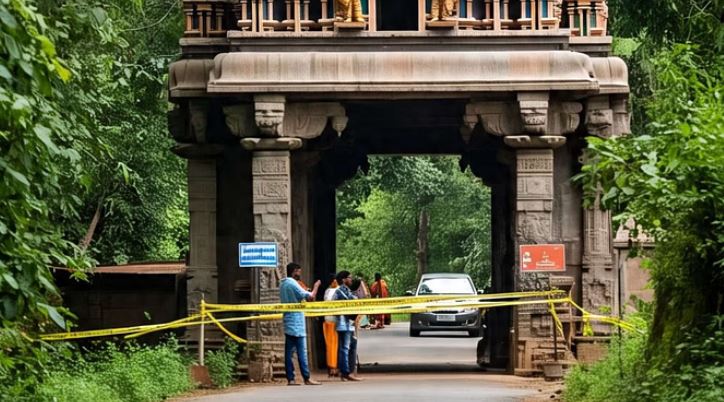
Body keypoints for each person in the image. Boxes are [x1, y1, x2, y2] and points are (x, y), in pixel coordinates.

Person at [279, 262, 322, 386]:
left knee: (288, 353)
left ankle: (290, 378)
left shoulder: (282, 284)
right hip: (297, 322)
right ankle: (306, 377)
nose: (300, 274)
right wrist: (316, 286)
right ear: (294, 271)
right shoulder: (293, 283)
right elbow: (310, 297)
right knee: (302, 352)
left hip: (288, 320)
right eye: (298, 271)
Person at [333, 271, 363, 382]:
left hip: (349, 323)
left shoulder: (347, 290)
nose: (351, 279)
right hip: (343, 323)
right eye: (349, 278)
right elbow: (352, 301)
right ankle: (345, 373)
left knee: (350, 346)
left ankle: (349, 371)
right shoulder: (340, 291)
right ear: (344, 279)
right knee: (345, 348)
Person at [322, 275, 339, 377]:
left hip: (332, 321)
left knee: (333, 346)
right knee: (331, 346)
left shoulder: (334, 291)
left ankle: (334, 367)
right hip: (330, 321)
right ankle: (332, 367)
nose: (335, 283)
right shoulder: (329, 291)